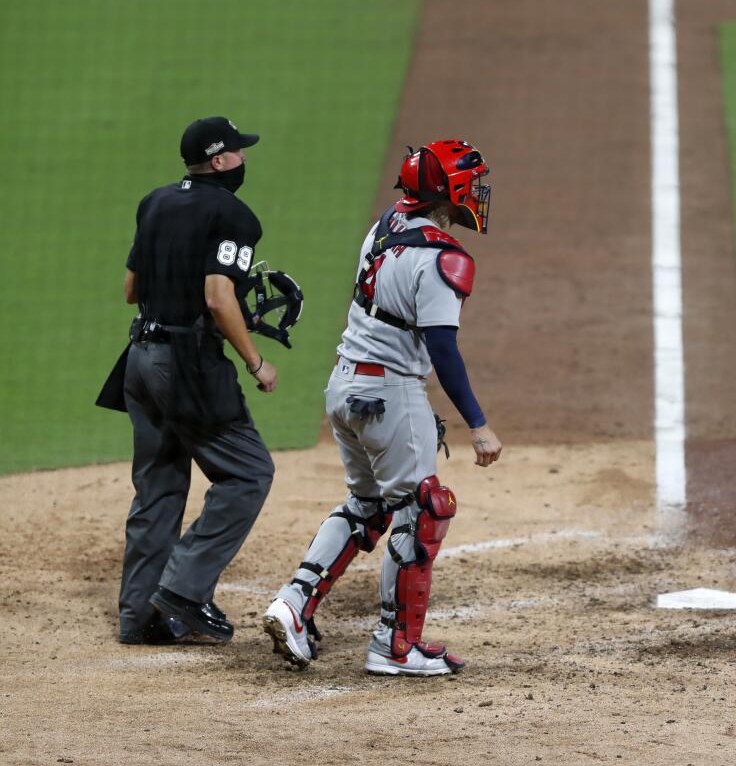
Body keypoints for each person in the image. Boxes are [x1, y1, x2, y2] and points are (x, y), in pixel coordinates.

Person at [262, 139, 502, 676]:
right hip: (390, 392)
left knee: (367, 505)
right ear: (453, 191)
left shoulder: (387, 225)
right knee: (424, 508)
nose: (481, 193)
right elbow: (443, 349)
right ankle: (396, 648)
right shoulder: (444, 259)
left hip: (344, 387)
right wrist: (478, 425)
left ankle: (294, 604)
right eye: (474, 183)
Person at [113, 116, 278, 645]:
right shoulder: (235, 215)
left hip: (139, 357)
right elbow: (216, 296)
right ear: (219, 160)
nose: (245, 159)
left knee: (158, 486)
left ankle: (140, 617)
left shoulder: (154, 202)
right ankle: (182, 591)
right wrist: (256, 361)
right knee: (248, 472)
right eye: (238, 152)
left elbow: (132, 290)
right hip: (185, 365)